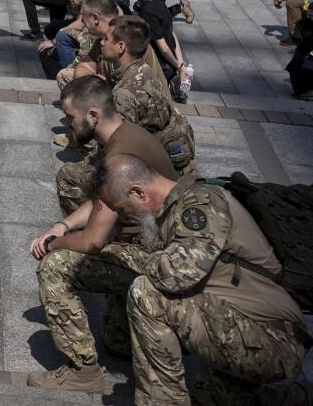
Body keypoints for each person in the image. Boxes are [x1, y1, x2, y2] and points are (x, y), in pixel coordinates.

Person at [89, 154, 308, 405]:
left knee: (147, 294)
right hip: (243, 327)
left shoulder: (200, 203)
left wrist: (129, 258)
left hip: (271, 338)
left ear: (138, 193)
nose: (121, 216)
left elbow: (176, 274)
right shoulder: (173, 209)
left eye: (119, 207)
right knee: (211, 399)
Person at [26, 77, 178, 393]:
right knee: (115, 342)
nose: (67, 124)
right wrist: (64, 225)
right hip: (154, 245)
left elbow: (92, 242)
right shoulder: (123, 135)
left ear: (93, 116)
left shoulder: (117, 156)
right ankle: (127, 331)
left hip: (156, 255)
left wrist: (54, 243)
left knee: (54, 267)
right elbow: (100, 201)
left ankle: (83, 372)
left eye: (71, 117)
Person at [98, 15, 196, 177]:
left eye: (106, 39)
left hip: (152, 169)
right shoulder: (146, 69)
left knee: (70, 176)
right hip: (170, 156)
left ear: (121, 47)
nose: (102, 42)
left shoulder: (124, 93)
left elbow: (119, 146)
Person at [128, 0, 186, 86]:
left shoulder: (148, 11)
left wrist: (178, 66)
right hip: (170, 63)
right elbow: (171, 33)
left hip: (160, 67)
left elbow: (163, 47)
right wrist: (180, 62)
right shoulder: (159, 2)